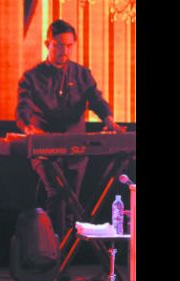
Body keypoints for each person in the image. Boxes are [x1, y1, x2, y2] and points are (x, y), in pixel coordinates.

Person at [16, 19, 125, 236]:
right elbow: (23, 108)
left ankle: (65, 247)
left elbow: (96, 99)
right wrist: (28, 127)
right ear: (48, 44)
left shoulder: (82, 74)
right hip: (45, 148)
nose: (64, 51)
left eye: (69, 46)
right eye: (59, 45)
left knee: (72, 199)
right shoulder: (31, 77)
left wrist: (109, 119)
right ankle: (55, 250)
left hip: (76, 150)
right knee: (57, 193)